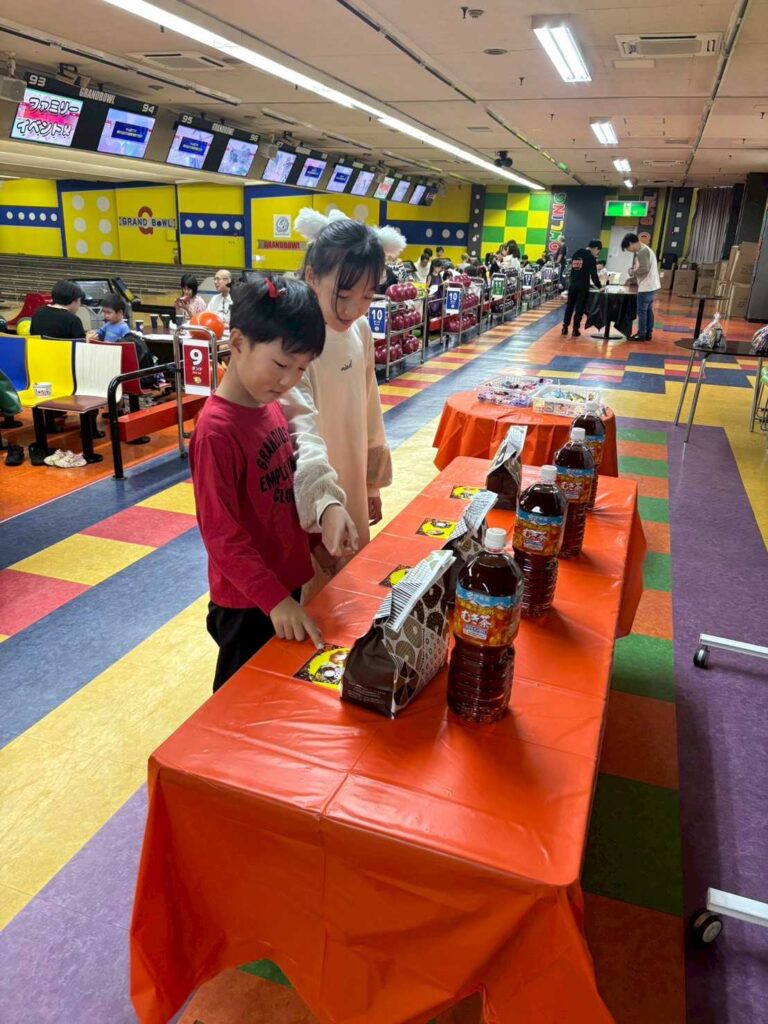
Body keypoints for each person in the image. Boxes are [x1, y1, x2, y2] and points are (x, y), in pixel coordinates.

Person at [189, 275, 329, 691]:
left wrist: (316, 542)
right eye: (282, 365)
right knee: (238, 699)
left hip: (283, 583)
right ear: (237, 343)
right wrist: (274, 599)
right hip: (247, 601)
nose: (289, 381)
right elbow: (221, 536)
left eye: (301, 369)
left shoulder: (268, 405)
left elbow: (283, 493)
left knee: (275, 689)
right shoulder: (216, 432)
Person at [288, 207, 402, 595]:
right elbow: (299, 433)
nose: (354, 309)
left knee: (352, 589)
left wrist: (372, 485)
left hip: (351, 482)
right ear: (311, 277)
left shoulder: (361, 330)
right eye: (343, 294)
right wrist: (321, 508)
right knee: (317, 597)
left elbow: (369, 408)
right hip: (312, 491)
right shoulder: (294, 343)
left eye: (367, 296)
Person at [622, 232, 660, 341]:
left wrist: (632, 272)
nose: (629, 251)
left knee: (642, 311)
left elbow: (644, 269)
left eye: (628, 248)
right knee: (648, 310)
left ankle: (641, 334)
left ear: (631, 243)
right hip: (652, 285)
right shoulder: (646, 249)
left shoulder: (642, 252)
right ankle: (648, 332)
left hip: (646, 286)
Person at [561, 239, 602, 338]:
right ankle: (575, 330)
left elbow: (573, 270)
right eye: (598, 251)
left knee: (569, 307)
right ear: (596, 248)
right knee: (579, 308)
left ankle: (565, 328)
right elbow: (594, 275)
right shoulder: (590, 257)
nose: (597, 253)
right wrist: (600, 286)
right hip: (583, 286)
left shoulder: (577, 253)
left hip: (572, 285)